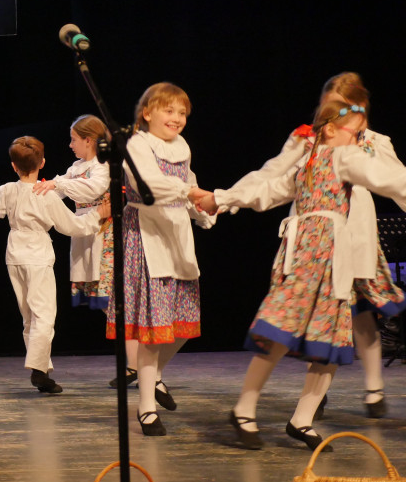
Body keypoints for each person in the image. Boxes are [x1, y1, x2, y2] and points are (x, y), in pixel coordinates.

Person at [199, 99, 406, 449]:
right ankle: (244, 407)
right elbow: (267, 188)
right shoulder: (315, 160)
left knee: (331, 337)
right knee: (280, 327)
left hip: (334, 260)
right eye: (353, 133)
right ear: (328, 129)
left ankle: (302, 418)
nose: (358, 141)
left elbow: (388, 178)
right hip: (305, 255)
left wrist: (222, 197)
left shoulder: (345, 158)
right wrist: (221, 198)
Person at [114, 83, 214, 436]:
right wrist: (191, 192)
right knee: (152, 329)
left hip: (176, 232)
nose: (177, 118)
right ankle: (146, 408)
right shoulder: (137, 143)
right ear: (147, 113)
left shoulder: (182, 147)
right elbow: (152, 185)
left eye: (182, 112)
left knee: (183, 320)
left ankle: (153, 374)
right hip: (146, 231)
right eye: (169, 111)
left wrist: (203, 210)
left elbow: (188, 183)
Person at [0, 135, 106, 394]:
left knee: (29, 316)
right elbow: (74, 226)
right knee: (44, 316)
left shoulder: (9, 190)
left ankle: (42, 371)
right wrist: (98, 214)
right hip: (37, 255)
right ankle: (38, 370)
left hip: (14, 254)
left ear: (14, 166)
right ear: (43, 163)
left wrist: (2, 208)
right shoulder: (46, 196)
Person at [38, 114, 139, 388]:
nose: (70, 145)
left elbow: (92, 188)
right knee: (108, 306)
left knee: (113, 302)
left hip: (105, 238)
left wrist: (57, 185)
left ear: (88, 140)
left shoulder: (102, 166)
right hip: (85, 237)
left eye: (74, 140)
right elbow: (56, 190)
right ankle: (135, 363)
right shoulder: (76, 167)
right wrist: (32, 188)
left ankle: (136, 364)